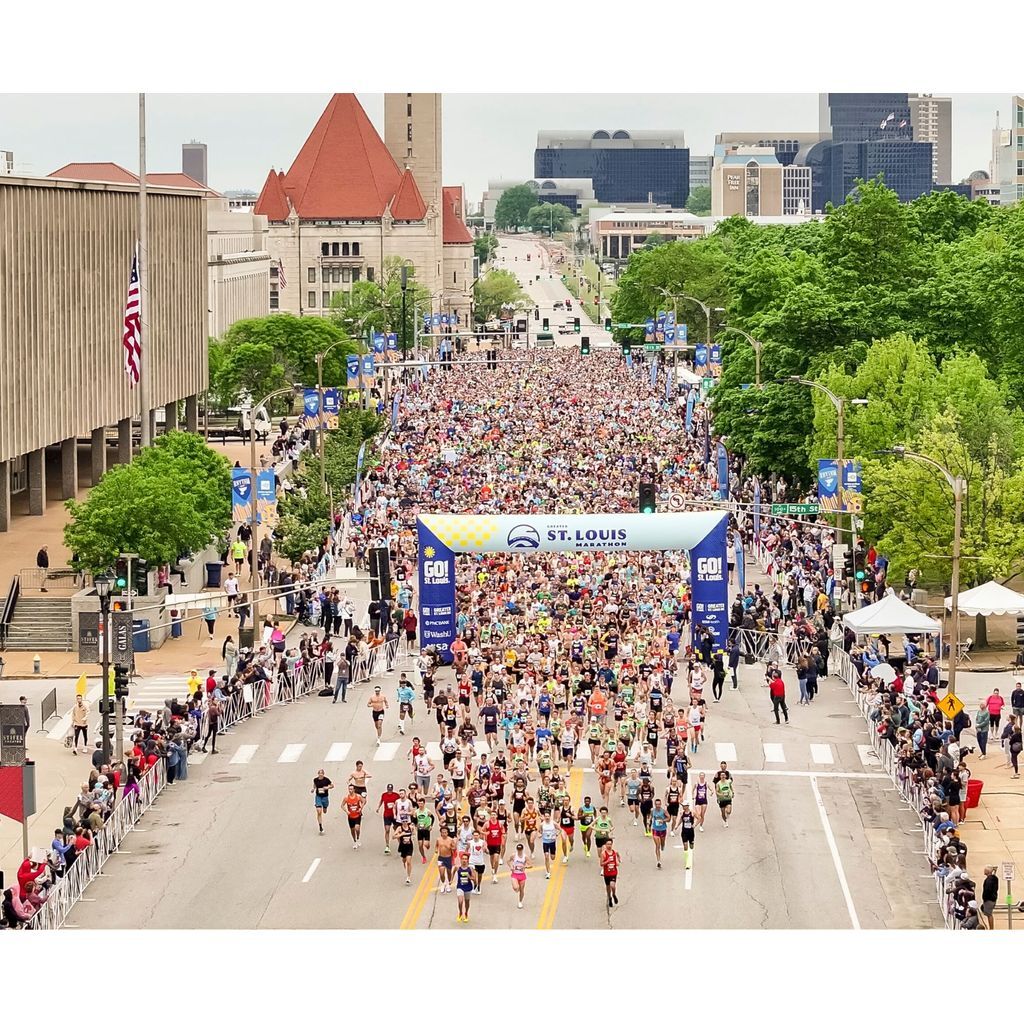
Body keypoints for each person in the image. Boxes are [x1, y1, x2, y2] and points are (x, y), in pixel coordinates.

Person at [377, 783, 399, 854]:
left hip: (395, 815)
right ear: (387, 789)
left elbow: (399, 803)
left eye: (391, 789)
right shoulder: (384, 795)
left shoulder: (396, 795)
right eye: (388, 789)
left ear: (392, 789)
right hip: (387, 815)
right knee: (387, 830)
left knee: (397, 830)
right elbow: (381, 801)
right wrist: (378, 807)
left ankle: (400, 845)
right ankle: (387, 846)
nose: (390, 790)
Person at [509, 842, 530, 909]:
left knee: (521, 889)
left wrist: (525, 866)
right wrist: (511, 866)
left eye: (520, 849)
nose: (519, 851)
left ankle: (520, 902)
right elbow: (508, 861)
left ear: (522, 850)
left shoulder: (525, 857)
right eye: (518, 849)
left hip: (522, 875)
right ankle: (516, 888)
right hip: (515, 874)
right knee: (516, 888)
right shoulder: (514, 855)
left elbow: (530, 864)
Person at [600, 837, 620, 908]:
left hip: (613, 872)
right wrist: (607, 861)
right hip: (606, 873)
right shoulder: (603, 853)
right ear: (605, 845)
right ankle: (610, 898)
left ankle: (614, 894)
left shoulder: (614, 852)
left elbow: (618, 856)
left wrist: (618, 861)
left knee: (613, 885)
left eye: (610, 844)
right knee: (608, 887)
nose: (609, 846)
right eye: (608, 844)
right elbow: (601, 864)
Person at [311, 769, 333, 834]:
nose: (320, 774)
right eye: (319, 773)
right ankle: (320, 826)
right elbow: (315, 785)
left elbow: (332, 785)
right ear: (318, 774)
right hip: (318, 797)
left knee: (324, 811)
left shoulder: (326, 780)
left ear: (323, 774)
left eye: (322, 773)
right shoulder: (315, 780)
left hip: (325, 797)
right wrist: (313, 789)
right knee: (319, 811)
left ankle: (325, 807)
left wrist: (327, 787)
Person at [344, 784, 365, 849]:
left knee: (357, 828)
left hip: (357, 815)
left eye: (351, 789)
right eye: (349, 789)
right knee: (352, 830)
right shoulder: (346, 798)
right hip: (350, 816)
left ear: (354, 790)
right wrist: (346, 811)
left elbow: (364, 801)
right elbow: (342, 805)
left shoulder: (358, 797)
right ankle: (355, 841)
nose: (350, 790)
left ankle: (358, 838)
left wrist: (361, 808)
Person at [455, 853, 474, 923]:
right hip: (460, 887)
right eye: (463, 859)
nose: (464, 860)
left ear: (468, 860)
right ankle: (460, 912)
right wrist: (450, 879)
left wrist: (470, 877)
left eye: (466, 859)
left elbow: (474, 878)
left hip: (468, 887)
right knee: (460, 901)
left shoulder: (470, 869)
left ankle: (466, 913)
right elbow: (453, 871)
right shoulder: (458, 867)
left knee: (467, 902)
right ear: (460, 860)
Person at [981, 865, 999, 930]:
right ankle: (991, 928)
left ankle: (991, 928)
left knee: (989, 914)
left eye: (985, 870)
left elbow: (987, 890)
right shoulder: (994, 878)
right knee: (989, 914)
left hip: (989, 899)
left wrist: (984, 898)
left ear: (987, 872)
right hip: (993, 898)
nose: (984, 871)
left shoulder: (989, 880)